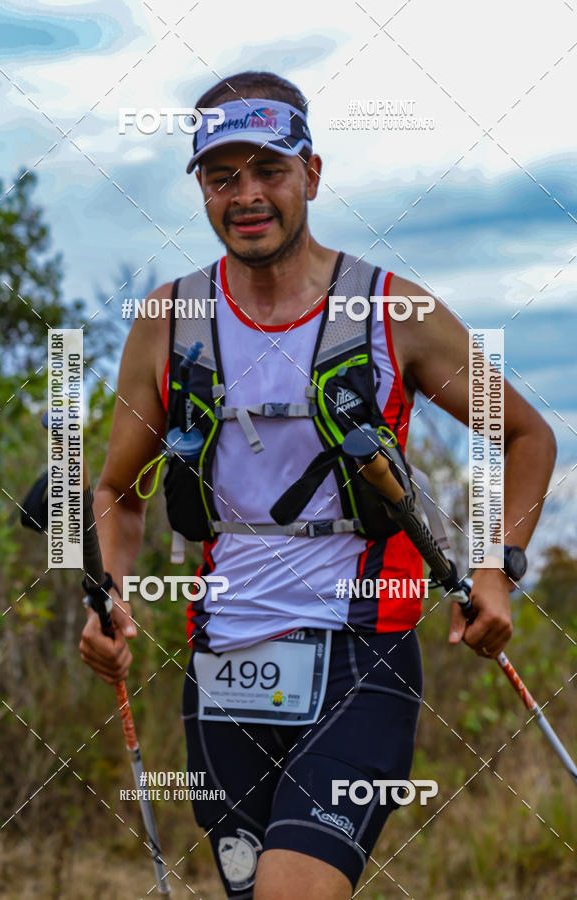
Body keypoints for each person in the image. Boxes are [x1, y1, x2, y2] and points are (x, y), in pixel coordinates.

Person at [79, 71, 557, 899]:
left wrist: (496, 569)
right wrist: (108, 596)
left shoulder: (392, 311)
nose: (247, 195)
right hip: (224, 664)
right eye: (222, 176)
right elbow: (120, 491)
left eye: (270, 170)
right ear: (201, 188)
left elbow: (528, 435)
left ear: (313, 173)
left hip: (361, 658)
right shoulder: (168, 321)